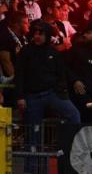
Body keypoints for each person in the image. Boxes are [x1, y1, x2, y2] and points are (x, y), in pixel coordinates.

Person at [15, 21, 80, 164]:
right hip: (32, 96)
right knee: (33, 135)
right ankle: (32, 170)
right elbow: (19, 75)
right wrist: (20, 97)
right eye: (35, 33)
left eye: (41, 33)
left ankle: (69, 150)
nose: (37, 36)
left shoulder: (53, 52)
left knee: (74, 114)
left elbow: (61, 73)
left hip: (52, 94)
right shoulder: (25, 51)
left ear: (47, 35)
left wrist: (61, 90)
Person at [66, 21, 92, 122]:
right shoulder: (77, 49)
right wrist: (75, 80)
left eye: (88, 33)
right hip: (80, 96)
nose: (84, 35)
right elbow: (64, 66)